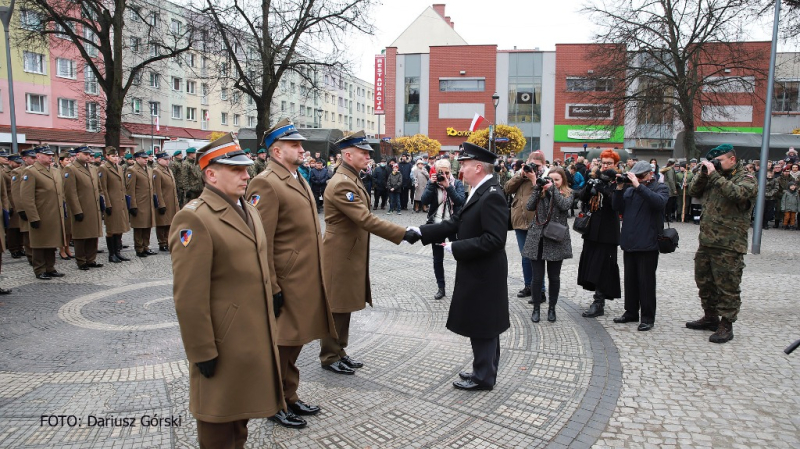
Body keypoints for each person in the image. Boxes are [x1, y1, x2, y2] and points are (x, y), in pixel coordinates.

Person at [169, 132, 284, 448]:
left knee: (239, 425)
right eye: (236, 170)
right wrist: (202, 351)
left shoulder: (248, 209)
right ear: (210, 174)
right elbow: (189, 298)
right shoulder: (194, 219)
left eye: (246, 168)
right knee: (217, 429)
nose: (246, 175)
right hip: (220, 345)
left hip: (249, 340)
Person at [245, 118, 337, 429]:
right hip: (285, 280)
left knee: (294, 342)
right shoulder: (266, 183)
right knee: (282, 344)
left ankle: (289, 395)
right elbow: (260, 241)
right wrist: (271, 286)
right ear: (276, 151)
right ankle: (274, 403)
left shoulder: (297, 177)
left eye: (300, 144)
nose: (302, 149)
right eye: (295, 145)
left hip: (305, 276)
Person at [319, 131, 418, 375]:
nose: (368, 156)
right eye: (363, 153)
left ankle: (340, 350)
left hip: (348, 252)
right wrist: (402, 233)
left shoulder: (351, 177)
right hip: (339, 254)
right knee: (337, 306)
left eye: (368, 153)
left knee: (345, 304)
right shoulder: (343, 182)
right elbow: (365, 218)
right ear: (347, 155)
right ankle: (330, 355)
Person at [413, 141, 509, 391]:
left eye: (464, 164)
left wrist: (457, 247)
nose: (461, 170)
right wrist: (419, 232)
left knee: (485, 324)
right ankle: (482, 370)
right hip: (477, 269)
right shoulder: (478, 190)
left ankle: (484, 377)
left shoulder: (492, 195)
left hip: (485, 272)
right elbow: (455, 222)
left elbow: (496, 239)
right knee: (481, 322)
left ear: (478, 167)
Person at [686, 144, 757, 343]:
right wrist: (703, 173)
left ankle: (726, 324)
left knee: (728, 286)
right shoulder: (712, 175)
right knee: (704, 281)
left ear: (732, 159)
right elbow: (693, 190)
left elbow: (738, 194)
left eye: (720, 160)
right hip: (707, 241)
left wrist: (715, 176)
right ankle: (710, 317)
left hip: (729, 244)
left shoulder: (746, 178)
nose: (717, 164)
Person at [611, 160, 669, 331]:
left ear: (650, 175)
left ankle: (647, 317)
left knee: (646, 282)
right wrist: (619, 189)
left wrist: (638, 186)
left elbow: (658, 203)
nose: (637, 179)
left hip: (648, 243)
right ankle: (630, 312)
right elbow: (616, 206)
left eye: (640, 176)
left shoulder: (660, 188)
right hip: (629, 241)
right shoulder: (630, 190)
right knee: (630, 280)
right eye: (635, 176)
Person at [522, 167, 573, 323]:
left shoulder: (568, 193)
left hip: (555, 239)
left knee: (554, 277)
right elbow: (529, 206)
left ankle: (552, 308)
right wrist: (537, 187)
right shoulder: (541, 192)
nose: (554, 182)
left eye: (557, 180)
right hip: (537, 238)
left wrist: (552, 190)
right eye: (551, 180)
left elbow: (564, 206)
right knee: (537, 278)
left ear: (563, 181)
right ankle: (536, 308)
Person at [578, 151, 622, 318]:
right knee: (591, 263)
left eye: (609, 163)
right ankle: (597, 297)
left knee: (603, 266)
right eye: (603, 163)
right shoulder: (594, 177)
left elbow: (616, 204)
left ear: (615, 164)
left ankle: (599, 301)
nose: (605, 166)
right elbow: (582, 198)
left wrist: (604, 188)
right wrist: (590, 186)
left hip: (607, 232)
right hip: (592, 230)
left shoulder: (618, 181)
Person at [18, 145, 67, 280]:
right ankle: (39, 269)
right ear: (38, 156)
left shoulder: (55, 171)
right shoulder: (31, 172)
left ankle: (50, 267)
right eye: (47, 155)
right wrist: (33, 217)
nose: (50, 157)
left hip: (54, 213)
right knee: (39, 243)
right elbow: (27, 197)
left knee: (52, 242)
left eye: (51, 155)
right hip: (41, 213)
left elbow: (59, 192)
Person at [420, 158, 465, 300]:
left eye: (446, 172)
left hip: (453, 225)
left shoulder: (457, 183)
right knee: (438, 259)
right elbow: (424, 201)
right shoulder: (432, 183)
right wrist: (431, 185)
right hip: (437, 225)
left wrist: (448, 186)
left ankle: (462, 286)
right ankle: (441, 287)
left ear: (450, 171)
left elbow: (460, 201)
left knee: (460, 256)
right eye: (441, 172)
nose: (443, 175)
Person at [505, 153, 540, 300]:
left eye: (536, 165)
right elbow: (507, 189)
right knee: (525, 255)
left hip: (535, 221)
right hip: (519, 220)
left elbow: (544, 195)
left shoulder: (545, 176)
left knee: (536, 257)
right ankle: (528, 286)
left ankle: (539, 288)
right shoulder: (520, 176)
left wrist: (534, 179)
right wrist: (521, 174)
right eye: (530, 164)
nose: (532, 167)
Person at [63, 145, 104, 270]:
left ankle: (91, 259)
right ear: (77, 154)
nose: (88, 156)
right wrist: (76, 210)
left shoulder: (92, 168)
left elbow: (98, 188)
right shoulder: (71, 169)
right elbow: (70, 192)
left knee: (93, 234)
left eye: (89, 154)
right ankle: (81, 261)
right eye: (85, 154)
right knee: (81, 236)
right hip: (82, 207)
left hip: (93, 207)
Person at [98, 147, 130, 263]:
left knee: (120, 227)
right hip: (111, 202)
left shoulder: (120, 168)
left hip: (120, 201)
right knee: (111, 229)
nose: (115, 158)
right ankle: (112, 254)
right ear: (107, 156)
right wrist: (107, 204)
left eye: (116, 156)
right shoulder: (103, 169)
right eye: (112, 156)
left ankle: (118, 252)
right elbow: (103, 188)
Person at [126, 151, 157, 257]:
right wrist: (132, 205)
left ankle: (146, 246)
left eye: (146, 158)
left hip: (148, 202)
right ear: (137, 158)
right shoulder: (132, 170)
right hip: (139, 203)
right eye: (143, 158)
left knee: (148, 225)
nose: (146, 159)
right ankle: (139, 248)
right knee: (139, 227)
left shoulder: (149, 169)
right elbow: (130, 189)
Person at [153, 152, 179, 252]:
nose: (168, 161)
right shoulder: (157, 171)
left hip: (171, 200)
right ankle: (162, 243)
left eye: (168, 159)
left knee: (169, 223)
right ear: (159, 160)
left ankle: (168, 241)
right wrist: (160, 204)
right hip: (163, 201)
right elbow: (157, 189)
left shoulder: (169, 170)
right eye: (165, 159)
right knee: (162, 223)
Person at [3, 153, 23, 259]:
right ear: (10, 162)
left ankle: (20, 247)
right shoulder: (4, 173)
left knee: (20, 227)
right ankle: (13, 249)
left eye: (20, 163)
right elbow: (4, 192)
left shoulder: (20, 171)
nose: (19, 165)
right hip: (10, 202)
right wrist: (8, 206)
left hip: (19, 201)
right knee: (12, 229)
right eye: (16, 163)